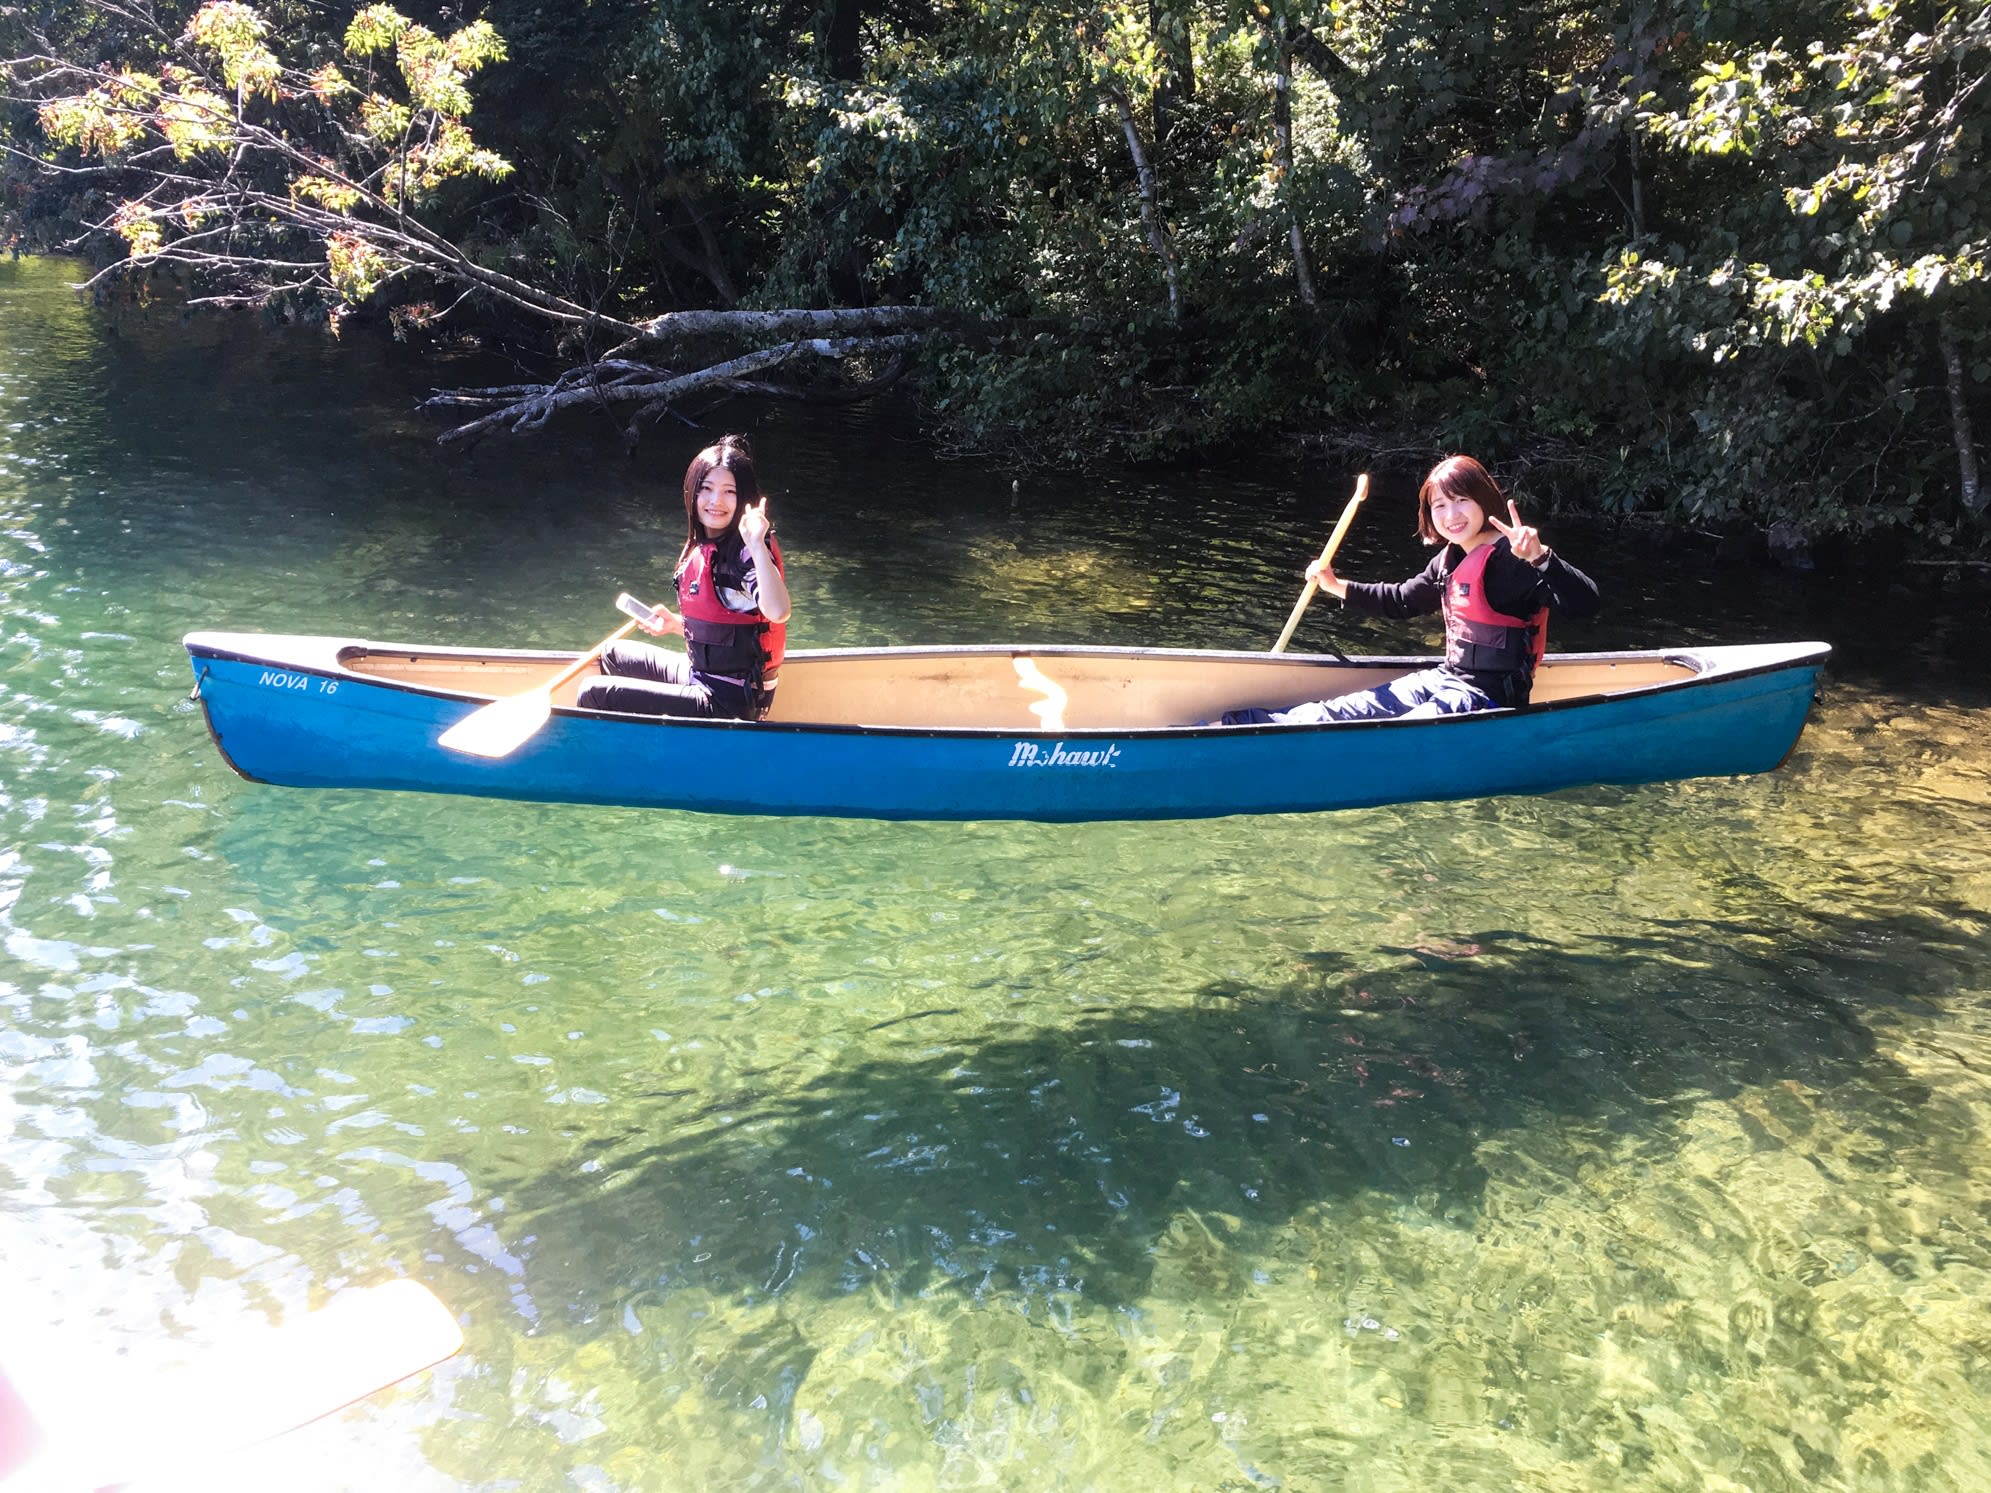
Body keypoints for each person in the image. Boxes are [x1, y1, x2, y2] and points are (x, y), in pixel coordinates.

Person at [1223, 455, 1599, 724]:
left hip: (1487, 698)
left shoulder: (1512, 561)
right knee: (1348, 710)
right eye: (1439, 506)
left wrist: (1541, 557)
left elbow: (1586, 604)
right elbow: (1401, 600)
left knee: (1386, 731)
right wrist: (1336, 586)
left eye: (1461, 501)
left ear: (1484, 500)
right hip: (1446, 678)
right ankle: (1242, 725)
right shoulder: (1449, 560)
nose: (1451, 516)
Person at [577, 434, 792, 720]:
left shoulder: (746, 552)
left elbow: (778, 611)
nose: (717, 501)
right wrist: (677, 625)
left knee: (592, 693)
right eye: (707, 488)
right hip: (701, 675)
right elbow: (730, 633)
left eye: (730, 491)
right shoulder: (706, 544)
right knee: (612, 654)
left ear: (744, 499)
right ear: (693, 492)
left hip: (728, 700)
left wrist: (755, 542)